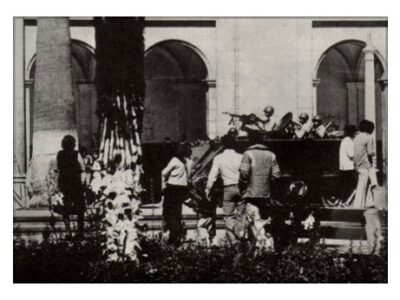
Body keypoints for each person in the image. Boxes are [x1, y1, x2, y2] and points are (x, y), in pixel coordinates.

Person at [239, 131, 281, 248]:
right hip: (266, 194)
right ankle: (268, 244)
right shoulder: (271, 154)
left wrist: (243, 186)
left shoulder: (248, 153)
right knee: (264, 220)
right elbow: (277, 175)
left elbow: (244, 173)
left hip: (251, 193)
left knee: (253, 220)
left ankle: (260, 245)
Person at [206, 134, 244, 243]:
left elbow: (212, 175)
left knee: (228, 216)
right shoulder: (241, 157)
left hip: (227, 188)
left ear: (223, 144)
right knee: (241, 215)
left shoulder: (218, 158)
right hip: (240, 188)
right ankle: (241, 237)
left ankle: (234, 241)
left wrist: (208, 189)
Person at [161, 143, 193, 245]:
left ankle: (173, 234)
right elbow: (188, 176)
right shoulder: (189, 162)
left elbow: (164, 172)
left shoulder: (175, 160)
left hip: (172, 187)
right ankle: (175, 235)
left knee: (167, 211)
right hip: (182, 188)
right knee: (177, 212)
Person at [57, 135, 86, 239]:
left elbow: (58, 168)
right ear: (73, 144)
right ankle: (80, 231)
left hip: (65, 184)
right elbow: (83, 168)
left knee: (65, 209)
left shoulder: (60, 154)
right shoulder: (76, 154)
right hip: (75, 183)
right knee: (80, 209)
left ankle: (68, 231)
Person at [353, 120, 375, 208]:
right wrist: (374, 152)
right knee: (362, 187)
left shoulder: (357, 137)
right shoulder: (369, 138)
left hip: (356, 165)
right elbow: (370, 153)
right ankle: (358, 206)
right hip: (365, 165)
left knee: (362, 185)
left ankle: (366, 204)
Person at [339, 125, 357, 202]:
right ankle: (347, 201)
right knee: (352, 185)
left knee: (345, 185)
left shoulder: (344, 140)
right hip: (348, 167)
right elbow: (351, 154)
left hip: (344, 167)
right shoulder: (348, 141)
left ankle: (344, 200)